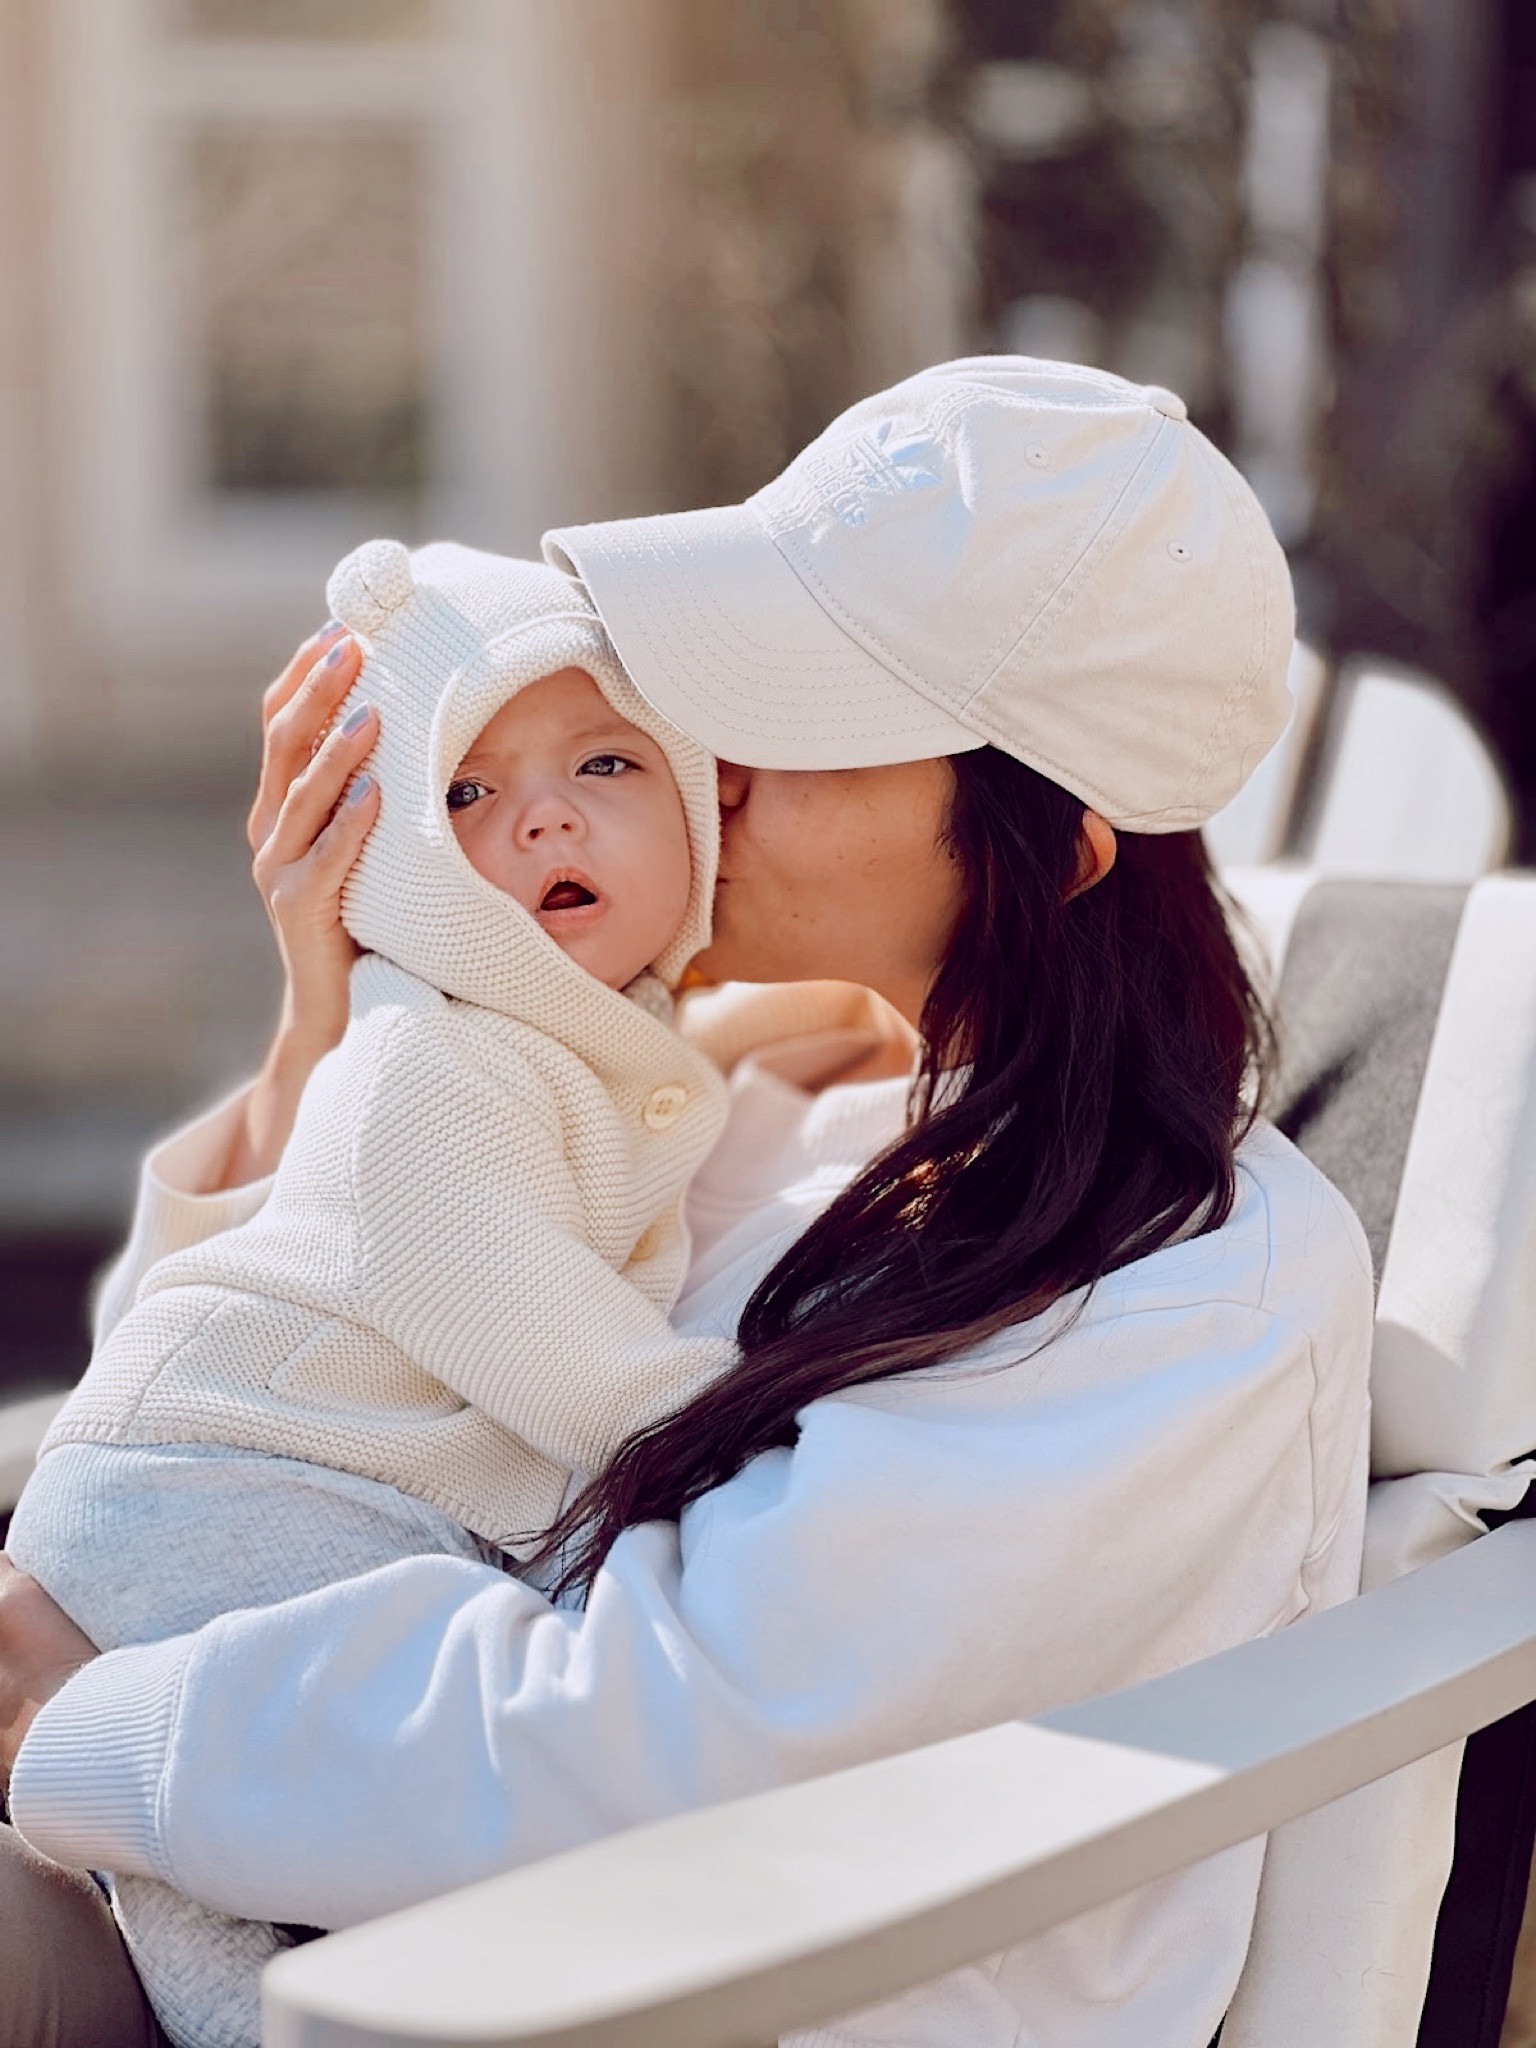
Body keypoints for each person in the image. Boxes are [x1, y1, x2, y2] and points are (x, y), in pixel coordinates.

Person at [0, 357, 1374, 2048]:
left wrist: (76, 1711)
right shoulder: (778, 1110)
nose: (707, 761)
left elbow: (664, 1733)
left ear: (1062, 846)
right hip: (372, 1914)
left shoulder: (1179, 1304)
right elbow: (305, 1359)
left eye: (800, 725)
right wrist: (330, 1018)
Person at [7, 537, 743, 2048]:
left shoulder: (611, 1039)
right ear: (398, 856)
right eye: (467, 794)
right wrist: (730, 1418)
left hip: (256, 1485)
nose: (543, 811)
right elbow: (513, 1311)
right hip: (231, 1489)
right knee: (258, 1898)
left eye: (608, 762)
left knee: (226, 1909)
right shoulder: (436, 1050)